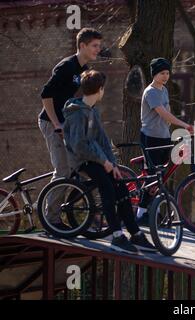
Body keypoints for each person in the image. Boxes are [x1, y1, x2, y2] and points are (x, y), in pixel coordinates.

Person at [63, 70, 155, 254]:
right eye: (103, 89)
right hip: (82, 160)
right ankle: (116, 236)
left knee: (121, 187)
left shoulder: (92, 111)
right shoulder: (76, 113)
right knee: (107, 187)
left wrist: (112, 164)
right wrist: (103, 161)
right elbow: (79, 145)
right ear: (100, 90)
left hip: (98, 159)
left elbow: (103, 141)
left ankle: (135, 234)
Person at [39, 28, 102, 229]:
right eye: (94, 46)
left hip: (66, 124)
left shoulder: (85, 70)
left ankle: (84, 218)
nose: (98, 49)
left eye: (99, 46)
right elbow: (46, 95)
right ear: (82, 45)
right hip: (51, 123)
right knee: (63, 170)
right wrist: (56, 123)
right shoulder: (67, 66)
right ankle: (51, 219)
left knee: (80, 167)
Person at [135, 57, 194, 224]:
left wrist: (174, 128)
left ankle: (153, 210)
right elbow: (164, 113)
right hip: (150, 138)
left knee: (162, 175)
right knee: (153, 176)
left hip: (163, 137)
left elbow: (167, 115)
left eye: (167, 73)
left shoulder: (164, 90)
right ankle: (140, 214)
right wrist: (184, 125)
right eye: (162, 73)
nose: (165, 76)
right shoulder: (151, 92)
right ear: (154, 74)